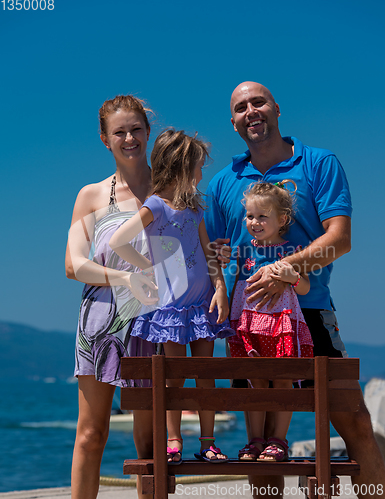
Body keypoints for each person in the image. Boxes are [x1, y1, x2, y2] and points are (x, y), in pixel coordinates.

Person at [205, 81, 385, 497]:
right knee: (263, 439)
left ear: (276, 108)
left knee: (354, 421)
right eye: (240, 107)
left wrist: (285, 268)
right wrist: (217, 289)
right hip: (249, 323)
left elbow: (340, 238)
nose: (251, 111)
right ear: (233, 123)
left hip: (311, 311)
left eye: (258, 102)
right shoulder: (222, 183)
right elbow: (215, 251)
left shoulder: (319, 163)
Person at [109, 129, 234, 464]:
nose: (201, 173)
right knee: (175, 378)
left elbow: (209, 252)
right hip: (171, 311)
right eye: (197, 166)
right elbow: (119, 241)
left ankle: (208, 443)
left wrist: (220, 288)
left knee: (206, 376)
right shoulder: (156, 206)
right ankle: (175, 441)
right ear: (180, 167)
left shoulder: (196, 209)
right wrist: (144, 267)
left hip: (203, 306)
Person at [65, 94, 158, 499]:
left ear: (148, 131)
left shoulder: (173, 189)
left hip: (155, 323)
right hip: (100, 324)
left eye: (136, 129)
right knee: (91, 434)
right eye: (119, 132)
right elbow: (73, 265)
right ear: (105, 139)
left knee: (151, 443)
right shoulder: (91, 195)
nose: (130, 138)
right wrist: (126, 278)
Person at [229, 180, 314, 463]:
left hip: (281, 325)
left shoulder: (290, 252)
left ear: (282, 220)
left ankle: (278, 440)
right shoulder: (242, 249)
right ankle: (254, 440)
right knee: (254, 382)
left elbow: (304, 289)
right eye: (250, 216)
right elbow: (231, 284)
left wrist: (292, 278)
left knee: (282, 380)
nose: (254, 222)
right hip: (248, 326)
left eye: (262, 216)